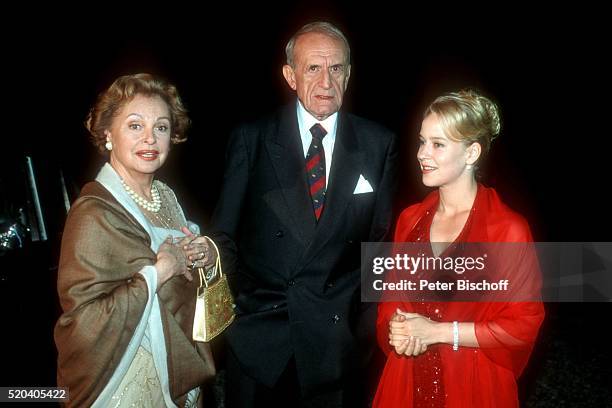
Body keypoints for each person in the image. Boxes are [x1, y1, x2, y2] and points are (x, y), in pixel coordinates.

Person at [210, 21, 398, 407]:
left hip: (337, 347)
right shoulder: (253, 139)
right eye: (313, 68)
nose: (326, 81)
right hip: (262, 342)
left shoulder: (379, 144)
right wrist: (242, 313)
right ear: (290, 76)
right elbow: (223, 237)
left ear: (349, 73)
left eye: (336, 68)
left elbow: (380, 247)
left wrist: (361, 326)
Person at [373, 89, 545, 407]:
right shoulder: (410, 219)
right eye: (422, 141)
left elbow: (522, 325)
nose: (422, 154)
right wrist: (397, 328)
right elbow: (390, 298)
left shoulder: (508, 230)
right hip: (407, 380)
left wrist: (439, 332)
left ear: (471, 153)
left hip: (472, 383)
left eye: (438, 144)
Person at [54, 73, 217, 407]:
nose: (150, 139)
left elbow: (187, 286)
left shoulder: (165, 197)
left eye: (161, 127)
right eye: (134, 125)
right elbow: (82, 322)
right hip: (125, 377)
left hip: (179, 364)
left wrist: (204, 256)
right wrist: (158, 272)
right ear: (107, 134)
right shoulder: (93, 212)